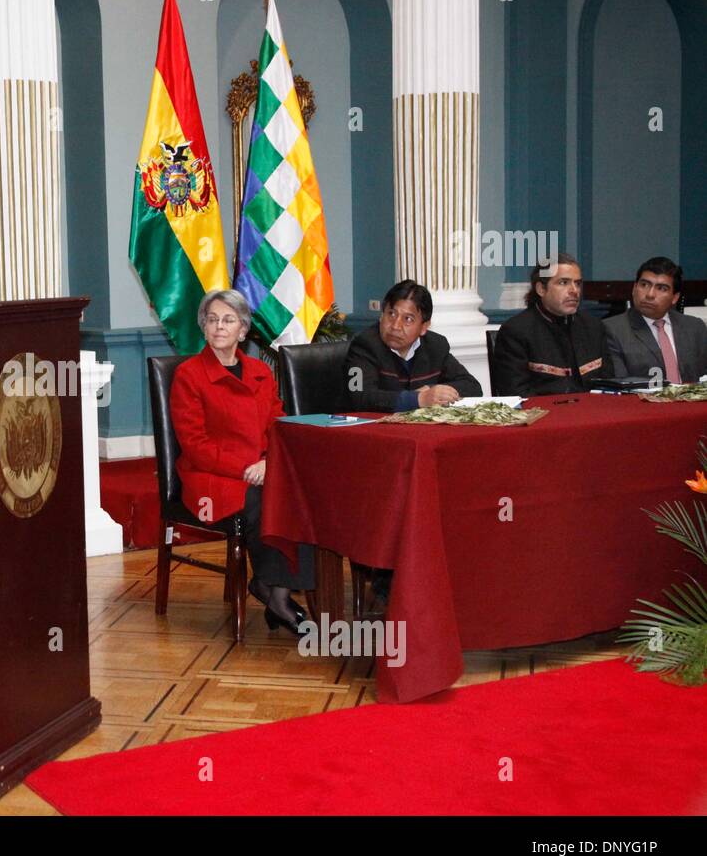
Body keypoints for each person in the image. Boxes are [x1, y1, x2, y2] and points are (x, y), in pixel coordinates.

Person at [169, 289, 314, 632]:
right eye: (212, 319)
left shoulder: (260, 373)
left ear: (243, 330)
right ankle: (276, 597)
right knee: (263, 497)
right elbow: (195, 445)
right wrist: (247, 469)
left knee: (300, 492)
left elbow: (278, 426)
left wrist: (268, 461)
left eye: (228, 320)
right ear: (203, 327)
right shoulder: (189, 375)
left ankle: (274, 586)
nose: (219, 326)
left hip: (260, 468)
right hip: (211, 475)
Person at [345, 279, 482, 411]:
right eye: (391, 314)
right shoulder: (364, 346)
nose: (396, 326)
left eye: (408, 319)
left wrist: (430, 389)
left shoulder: (436, 346)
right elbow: (359, 397)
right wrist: (418, 399)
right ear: (381, 316)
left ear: (424, 327)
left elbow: (472, 386)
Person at [491, 253, 612, 395]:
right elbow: (515, 394)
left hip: (593, 413)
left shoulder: (593, 326)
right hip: (543, 414)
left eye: (577, 283)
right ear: (541, 289)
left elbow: (608, 384)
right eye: (563, 283)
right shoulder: (516, 331)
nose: (574, 291)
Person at [603, 256, 707, 385]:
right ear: (634, 288)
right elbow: (621, 385)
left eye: (662, 288)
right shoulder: (612, 329)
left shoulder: (694, 327)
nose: (650, 294)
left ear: (675, 297)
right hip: (641, 403)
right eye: (644, 285)